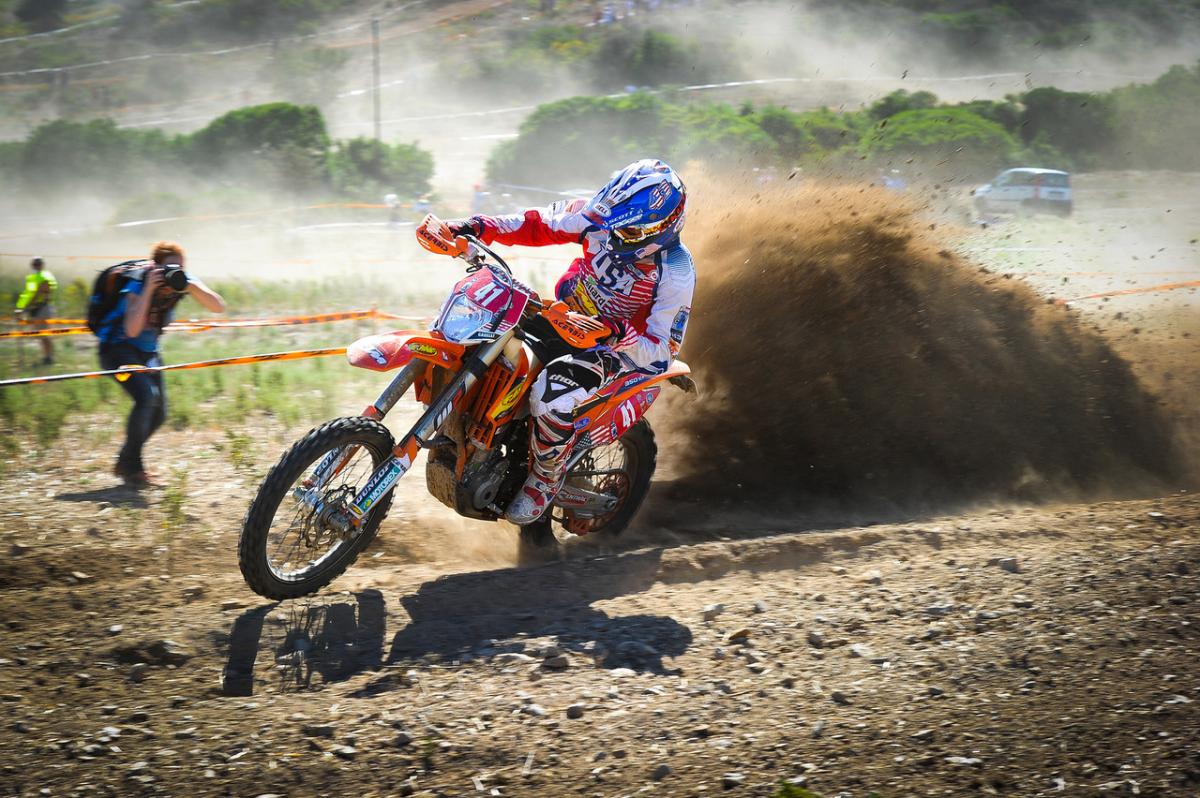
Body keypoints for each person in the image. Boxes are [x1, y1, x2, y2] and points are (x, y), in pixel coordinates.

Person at [431, 159, 694, 524]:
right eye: (612, 224)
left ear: (664, 228)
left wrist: (615, 332)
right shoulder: (599, 217)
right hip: (562, 317)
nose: (614, 236)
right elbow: (536, 223)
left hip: (611, 351)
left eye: (629, 231)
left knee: (550, 396)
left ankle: (545, 478)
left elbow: (662, 352)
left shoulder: (676, 272)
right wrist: (474, 226)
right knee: (478, 334)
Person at [95, 242, 225, 487]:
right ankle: (133, 468)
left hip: (148, 352)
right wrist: (148, 290)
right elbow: (132, 330)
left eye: (180, 267)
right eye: (169, 268)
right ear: (155, 267)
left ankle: (126, 461)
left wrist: (191, 285)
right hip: (118, 350)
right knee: (146, 398)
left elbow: (218, 306)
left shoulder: (183, 280)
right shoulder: (138, 282)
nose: (174, 272)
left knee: (160, 412)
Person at [14, 256, 58, 365]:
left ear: (42, 265)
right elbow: (27, 294)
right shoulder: (32, 278)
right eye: (35, 264)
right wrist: (20, 307)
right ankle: (46, 356)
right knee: (39, 334)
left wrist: (25, 308)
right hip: (34, 308)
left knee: (44, 334)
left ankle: (49, 357)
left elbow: (41, 291)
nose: (37, 266)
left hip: (42, 307)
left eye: (38, 263)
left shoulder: (45, 276)